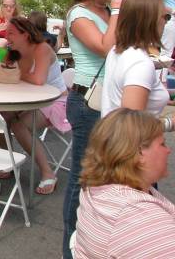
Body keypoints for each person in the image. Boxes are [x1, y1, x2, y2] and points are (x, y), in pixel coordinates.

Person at [62, 0, 123, 259]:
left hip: (110, 98)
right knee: (82, 178)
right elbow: (103, 46)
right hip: (88, 100)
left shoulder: (108, 12)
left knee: (108, 176)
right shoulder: (79, 14)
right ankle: (70, 248)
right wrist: (119, 12)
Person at [74, 109, 175, 259]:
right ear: (139, 153)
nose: (169, 150)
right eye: (162, 144)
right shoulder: (138, 218)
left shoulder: (96, 188)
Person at [0, 17, 69, 195]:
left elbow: (39, 80)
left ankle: (47, 172)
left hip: (55, 101)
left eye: (11, 33)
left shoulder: (42, 48)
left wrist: (15, 73)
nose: (8, 36)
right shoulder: (14, 50)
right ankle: (8, 160)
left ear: (26, 35)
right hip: (29, 100)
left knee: (19, 125)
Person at [100, 0, 169, 118]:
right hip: (134, 137)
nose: (166, 22)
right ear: (150, 21)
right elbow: (132, 125)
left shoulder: (117, 51)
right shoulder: (140, 63)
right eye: (166, 17)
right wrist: (170, 123)